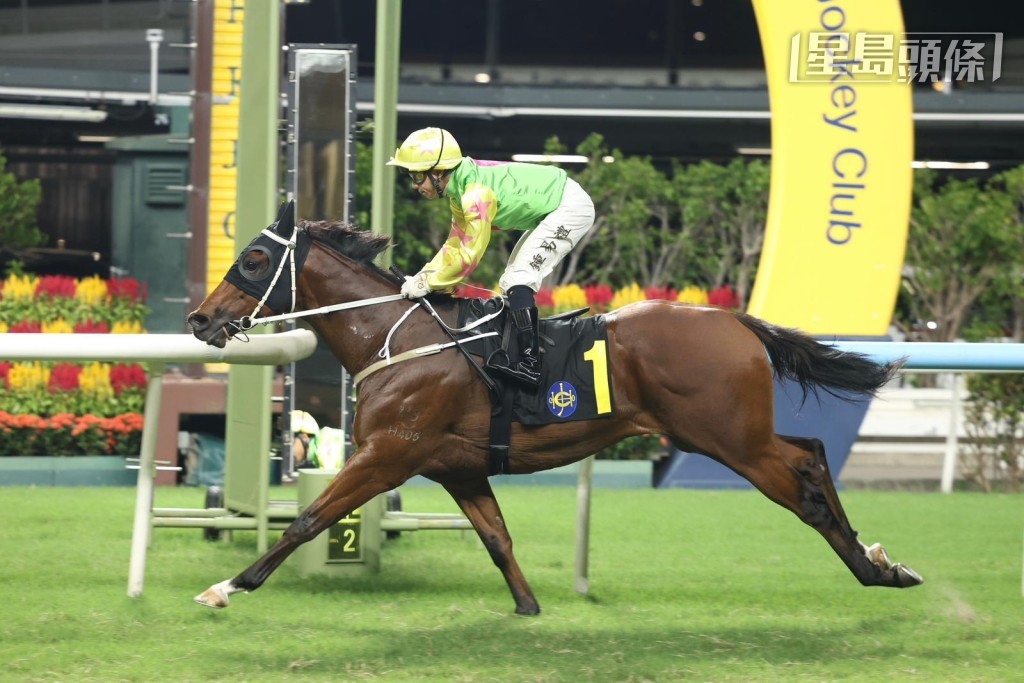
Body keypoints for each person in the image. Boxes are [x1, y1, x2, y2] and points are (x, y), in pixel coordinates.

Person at [387, 127, 596, 388]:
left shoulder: (475, 194)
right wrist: (424, 275)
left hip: (570, 206)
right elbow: (454, 245)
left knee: (519, 279)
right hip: (557, 204)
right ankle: (522, 355)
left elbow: (470, 254)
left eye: (418, 176)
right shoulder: (459, 191)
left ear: (438, 172)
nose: (415, 185)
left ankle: (532, 366)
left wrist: (428, 285)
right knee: (511, 282)